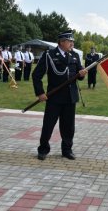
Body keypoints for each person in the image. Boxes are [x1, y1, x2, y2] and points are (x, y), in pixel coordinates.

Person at [32, 30, 87, 161]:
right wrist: (40, 93)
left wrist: (82, 74)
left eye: (72, 41)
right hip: (54, 97)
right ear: (61, 42)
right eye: (70, 41)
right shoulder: (49, 55)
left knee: (68, 126)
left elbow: (78, 76)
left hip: (70, 97)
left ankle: (67, 150)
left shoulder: (74, 56)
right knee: (48, 125)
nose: (72, 43)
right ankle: (43, 149)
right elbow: (36, 75)